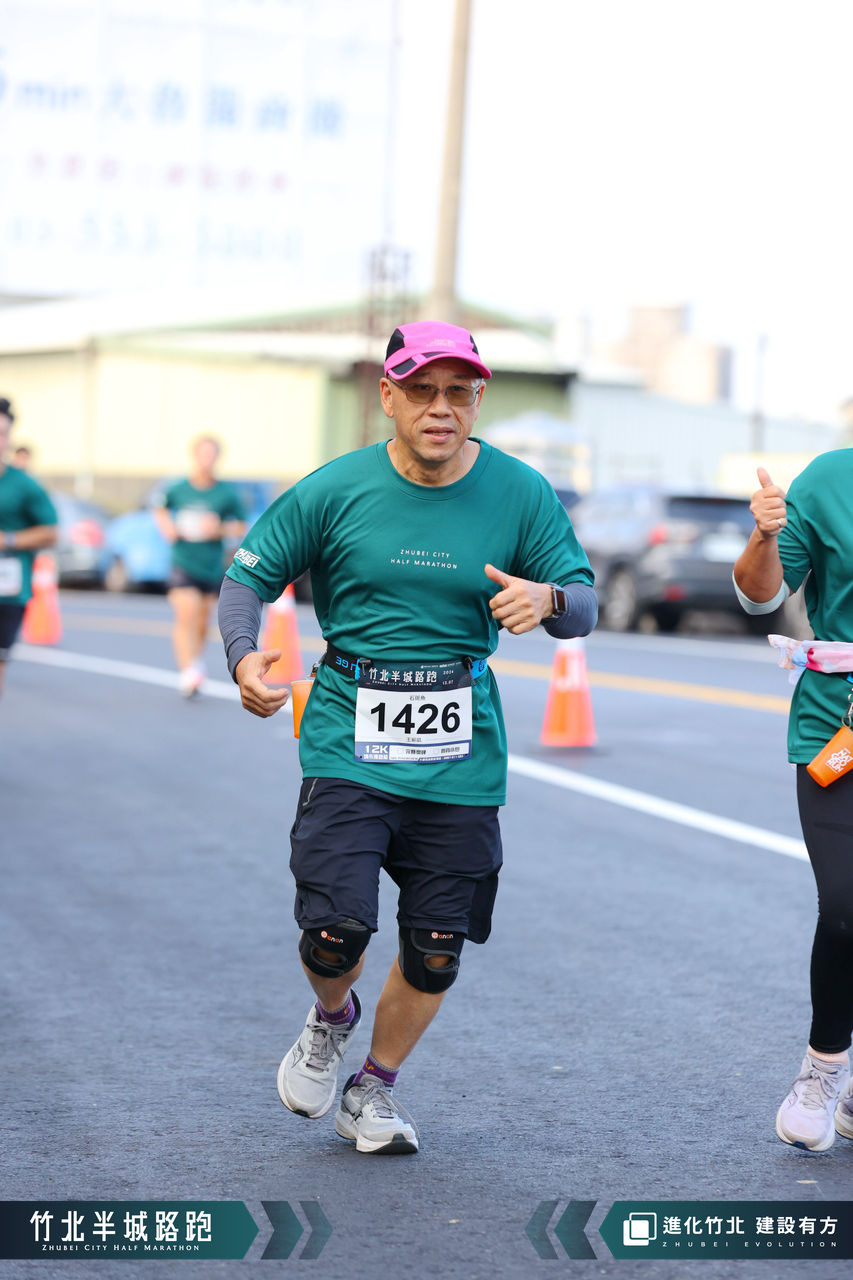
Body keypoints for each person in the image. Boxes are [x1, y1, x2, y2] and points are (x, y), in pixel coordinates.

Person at [218, 321, 597, 1154]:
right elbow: (246, 580)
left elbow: (581, 600)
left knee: (435, 949)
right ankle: (331, 1018)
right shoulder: (334, 488)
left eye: (458, 392)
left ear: (477, 401)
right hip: (348, 738)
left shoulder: (519, 492)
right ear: (387, 396)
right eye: (421, 391)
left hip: (460, 752)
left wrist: (549, 600)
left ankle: (373, 1089)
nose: (440, 408)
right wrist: (244, 657)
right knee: (335, 933)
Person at [734, 460, 853, 1151]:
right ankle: (823, 1068)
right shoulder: (831, 479)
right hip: (840, 724)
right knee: (844, 903)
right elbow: (759, 598)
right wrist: (763, 535)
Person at [154, 436, 246, 697]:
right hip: (183, 561)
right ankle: (187, 671)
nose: (207, 460)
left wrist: (219, 528)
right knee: (187, 614)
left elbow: (241, 525)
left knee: (203, 619)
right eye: (203, 454)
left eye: (212, 455)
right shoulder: (178, 489)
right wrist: (167, 528)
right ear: (194, 456)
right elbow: (159, 508)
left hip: (211, 564)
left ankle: (195, 662)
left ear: (217, 458)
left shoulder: (226, 493)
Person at [0, 398, 58, 696]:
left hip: (8, 589)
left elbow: (51, 531)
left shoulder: (24, 485)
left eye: (3, 434)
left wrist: (9, 540)